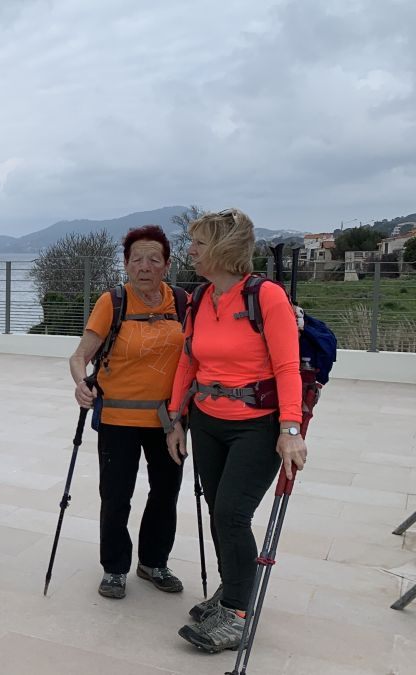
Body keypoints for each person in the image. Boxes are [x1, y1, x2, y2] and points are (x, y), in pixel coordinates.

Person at [166, 208, 305, 653]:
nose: (190, 250)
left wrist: (290, 429)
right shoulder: (202, 298)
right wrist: (175, 419)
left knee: (231, 512)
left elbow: (286, 366)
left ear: (224, 249)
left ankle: (238, 615)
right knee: (217, 509)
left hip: (256, 428)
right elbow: (189, 360)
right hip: (208, 422)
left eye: (199, 243)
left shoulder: (266, 297)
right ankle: (229, 593)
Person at [67, 225, 186, 599]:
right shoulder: (112, 302)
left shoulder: (182, 302)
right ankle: (115, 568)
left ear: (167, 264)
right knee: (116, 495)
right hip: (118, 419)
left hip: (170, 422)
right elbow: (79, 356)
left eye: (154, 259)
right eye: (137, 259)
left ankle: (154, 562)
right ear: (126, 264)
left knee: (166, 493)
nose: (145, 266)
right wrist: (81, 383)